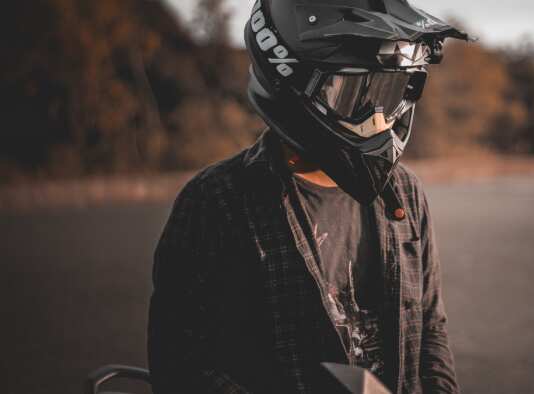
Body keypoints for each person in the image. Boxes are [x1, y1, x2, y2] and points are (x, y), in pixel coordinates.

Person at [147, 0, 470, 393]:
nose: (378, 117)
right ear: (292, 84)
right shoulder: (217, 202)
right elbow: (182, 364)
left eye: (393, 89)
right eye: (354, 93)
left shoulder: (405, 195)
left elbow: (429, 328)